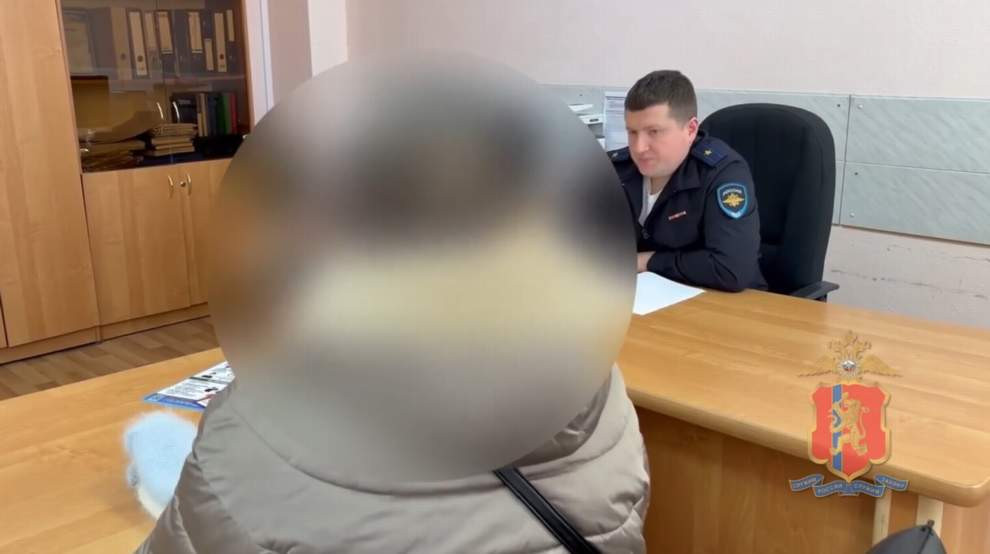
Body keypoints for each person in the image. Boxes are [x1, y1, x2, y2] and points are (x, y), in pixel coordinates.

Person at [610, 70, 767, 292]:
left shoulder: (721, 173)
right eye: (632, 132)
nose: (639, 147)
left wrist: (647, 261)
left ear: (691, 129)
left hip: (724, 304)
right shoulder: (616, 169)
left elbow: (731, 270)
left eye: (653, 132)